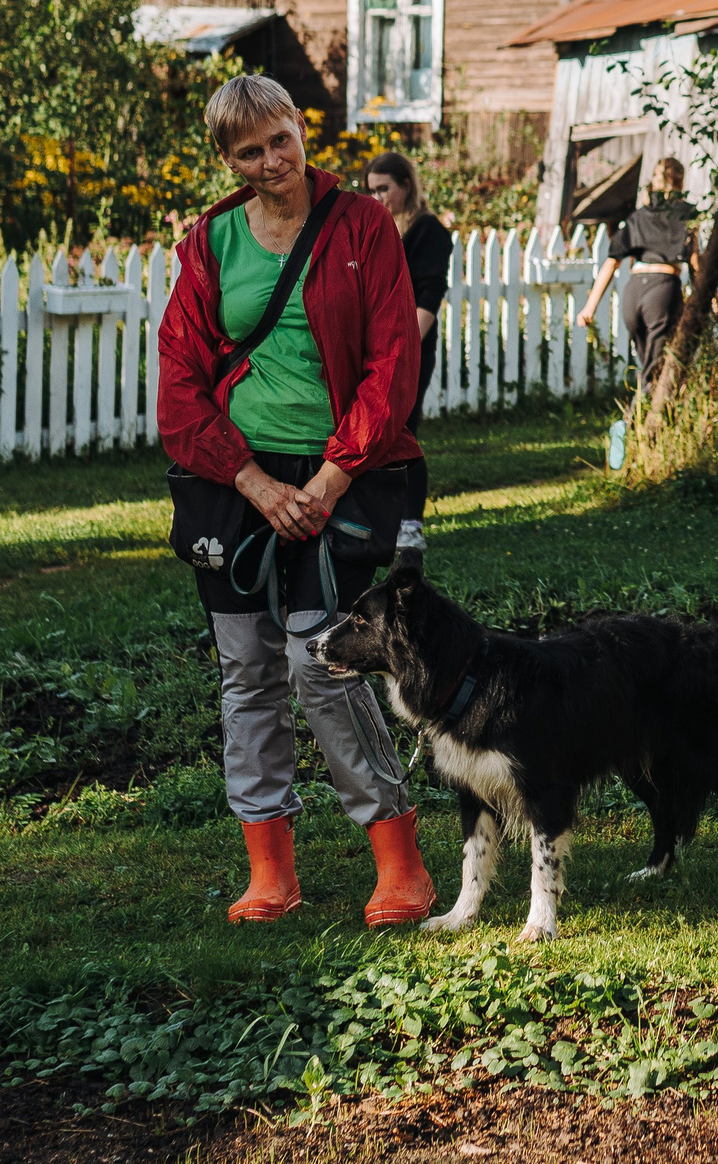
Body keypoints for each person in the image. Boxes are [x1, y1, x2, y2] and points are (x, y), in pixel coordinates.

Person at [157, 74, 437, 929]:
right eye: (250, 151)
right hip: (235, 482)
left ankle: (400, 862)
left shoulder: (361, 227)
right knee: (246, 672)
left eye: (281, 139)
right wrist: (250, 480)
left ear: (299, 129)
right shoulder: (210, 242)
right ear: (229, 161)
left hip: (337, 477)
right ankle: (269, 871)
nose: (272, 160)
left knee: (327, 665)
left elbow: (392, 363)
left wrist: (328, 480)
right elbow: (180, 379)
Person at [576, 158, 699, 389]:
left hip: (633, 294)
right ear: (681, 182)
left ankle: (650, 409)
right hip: (662, 291)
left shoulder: (638, 217)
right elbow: (695, 261)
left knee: (649, 365)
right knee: (654, 371)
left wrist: (589, 307)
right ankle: (639, 411)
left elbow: (612, 263)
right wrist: (711, 297)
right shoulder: (686, 214)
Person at [363, 151, 453, 435]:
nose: (377, 198)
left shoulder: (428, 229)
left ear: (406, 185)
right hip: (377, 348)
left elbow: (430, 296)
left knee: (400, 434)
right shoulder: (383, 227)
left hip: (408, 348)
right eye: (372, 190)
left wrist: (402, 350)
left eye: (383, 189)